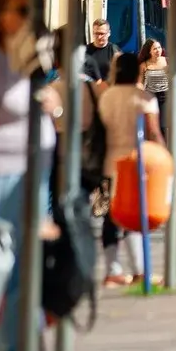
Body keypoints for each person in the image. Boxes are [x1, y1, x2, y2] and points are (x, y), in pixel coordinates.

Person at [0, 0, 61, 351]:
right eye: (18, 9)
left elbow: (49, 98)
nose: (25, 15)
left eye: (28, 9)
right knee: (4, 264)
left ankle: (26, 349)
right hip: (3, 170)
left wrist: (54, 102)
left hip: (33, 173)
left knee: (27, 265)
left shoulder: (35, 57)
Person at [98, 53, 164, 288]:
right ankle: (140, 270)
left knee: (111, 217)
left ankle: (112, 270)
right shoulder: (144, 97)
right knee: (136, 215)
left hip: (109, 162)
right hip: (137, 164)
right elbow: (153, 132)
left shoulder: (106, 97)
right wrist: (165, 157)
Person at [48, 26, 107, 215]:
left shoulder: (50, 91)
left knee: (59, 207)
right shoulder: (94, 89)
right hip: (86, 152)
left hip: (56, 151)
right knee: (78, 207)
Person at [138, 38, 169, 134]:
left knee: (163, 126)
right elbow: (140, 82)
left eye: (159, 47)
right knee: (153, 127)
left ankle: (163, 146)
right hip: (151, 97)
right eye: (155, 49)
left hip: (165, 97)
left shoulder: (167, 61)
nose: (158, 50)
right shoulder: (144, 65)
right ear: (149, 51)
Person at [85, 18, 119, 83]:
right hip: (89, 90)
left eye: (102, 34)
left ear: (109, 33)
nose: (99, 37)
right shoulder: (85, 51)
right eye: (96, 33)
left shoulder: (115, 51)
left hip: (108, 90)